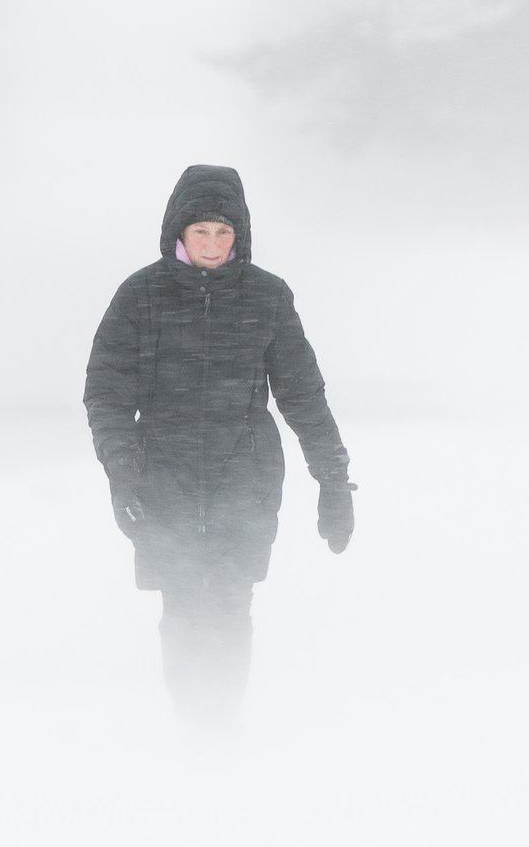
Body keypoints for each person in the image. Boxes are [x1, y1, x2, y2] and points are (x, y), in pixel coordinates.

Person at [82, 164, 356, 732]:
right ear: (178, 234)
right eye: (201, 232)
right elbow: (107, 395)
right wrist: (123, 474)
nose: (212, 244)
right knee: (181, 605)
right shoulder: (141, 296)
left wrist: (333, 479)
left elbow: (303, 394)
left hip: (246, 478)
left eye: (224, 233)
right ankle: (194, 732)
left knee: (232, 604)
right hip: (163, 477)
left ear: (241, 236)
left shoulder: (267, 298)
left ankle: (221, 731)